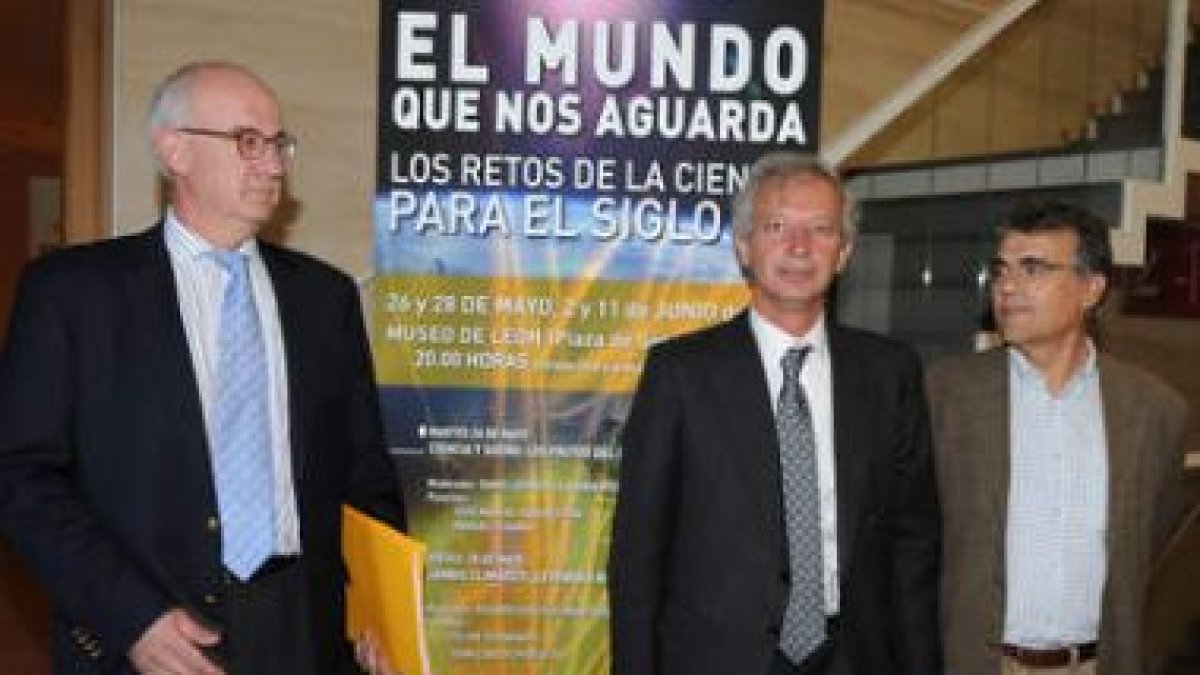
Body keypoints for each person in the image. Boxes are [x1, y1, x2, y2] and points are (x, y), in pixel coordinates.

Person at [0, 61, 405, 674]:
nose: (273, 165)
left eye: (278, 144)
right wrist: (129, 616)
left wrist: (378, 609)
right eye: (248, 142)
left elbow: (365, 474)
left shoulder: (326, 299)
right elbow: (23, 478)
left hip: (307, 630)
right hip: (154, 628)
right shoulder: (73, 295)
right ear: (175, 151)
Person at [607, 152, 942, 675]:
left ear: (846, 251)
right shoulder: (680, 373)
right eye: (776, 226)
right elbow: (638, 556)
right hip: (718, 659)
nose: (799, 248)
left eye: (822, 229)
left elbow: (913, 546)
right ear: (744, 245)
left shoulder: (890, 373)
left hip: (857, 657)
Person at [928, 202, 1189, 675]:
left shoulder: (1155, 411)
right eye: (1002, 269)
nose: (1007, 287)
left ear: (1091, 289)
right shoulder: (944, 397)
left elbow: (1153, 538)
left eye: (1034, 269)